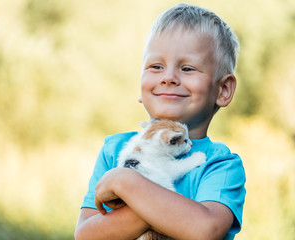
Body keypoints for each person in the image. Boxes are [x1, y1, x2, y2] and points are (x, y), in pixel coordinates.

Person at [75, 3, 246, 240]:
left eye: (187, 68)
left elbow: (205, 230)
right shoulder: (114, 150)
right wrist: (165, 210)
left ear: (223, 90)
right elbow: (87, 236)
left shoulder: (221, 165)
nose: (168, 78)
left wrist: (127, 183)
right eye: (156, 67)